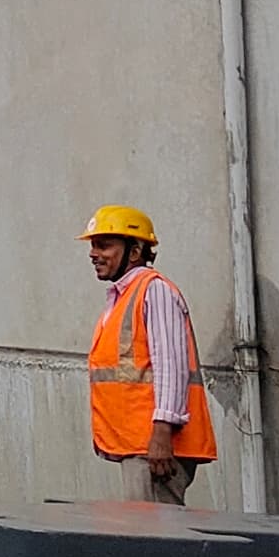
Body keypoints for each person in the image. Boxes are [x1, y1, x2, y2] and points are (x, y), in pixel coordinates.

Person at [81, 205, 215, 504]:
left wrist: (162, 434)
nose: (93, 254)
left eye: (104, 245)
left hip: (154, 447)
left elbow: (171, 366)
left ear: (135, 251)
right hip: (138, 445)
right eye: (93, 245)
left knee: (154, 530)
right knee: (144, 528)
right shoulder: (124, 296)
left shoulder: (155, 291)